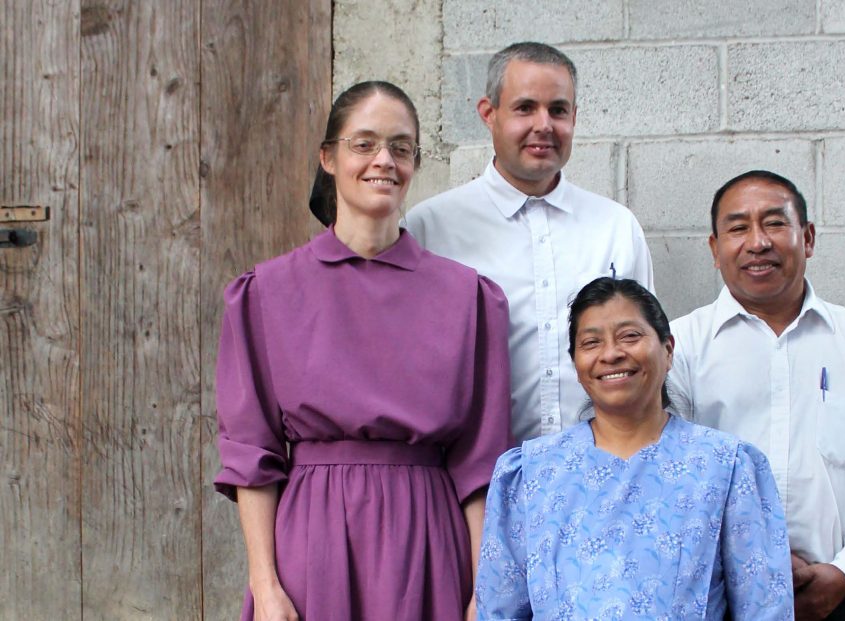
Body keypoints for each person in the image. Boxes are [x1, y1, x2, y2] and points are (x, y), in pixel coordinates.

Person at [214, 81, 512, 621]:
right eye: (364, 143)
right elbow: (252, 455)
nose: (384, 160)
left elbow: (481, 465)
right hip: (312, 545)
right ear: (328, 157)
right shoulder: (266, 292)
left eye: (401, 147)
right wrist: (265, 584)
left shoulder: (468, 297)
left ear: (416, 162)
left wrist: (481, 592)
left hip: (429, 541)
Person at [668, 170, 845, 620]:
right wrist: (750, 563)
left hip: (841, 598)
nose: (757, 242)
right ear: (715, 249)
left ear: (806, 238)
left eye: (773, 223)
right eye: (737, 228)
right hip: (719, 598)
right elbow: (670, 479)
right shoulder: (679, 347)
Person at [475, 277, 794, 620]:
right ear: (576, 364)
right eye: (591, 342)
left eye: (630, 336)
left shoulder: (725, 466)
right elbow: (499, 610)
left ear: (668, 349)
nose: (611, 354)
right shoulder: (531, 473)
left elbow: (765, 609)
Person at [405, 42, 654, 443]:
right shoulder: (431, 228)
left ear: (574, 117)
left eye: (557, 110)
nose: (544, 125)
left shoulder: (615, 227)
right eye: (525, 108)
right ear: (489, 114)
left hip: (596, 477)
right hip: (478, 484)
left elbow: (645, 362)